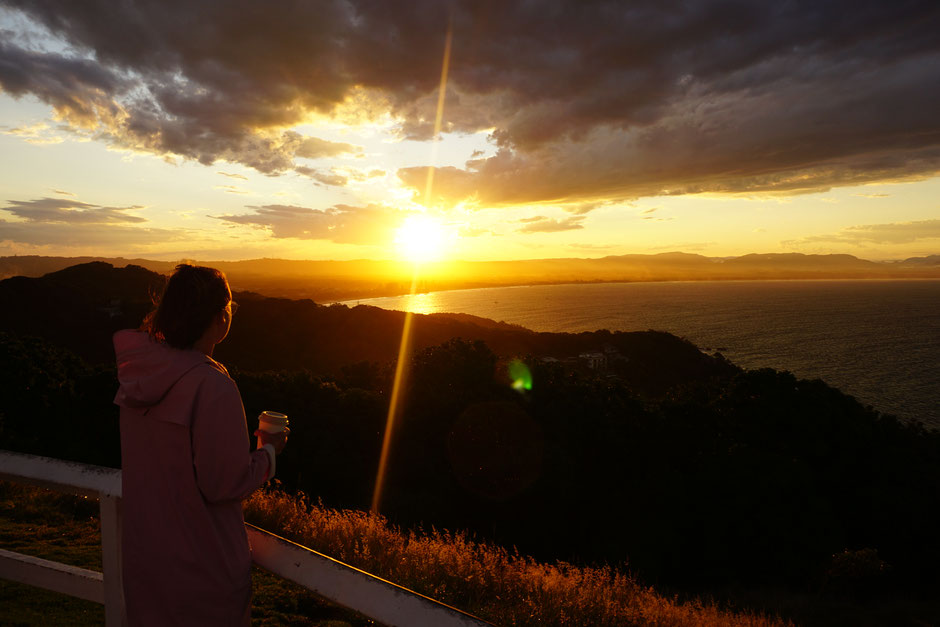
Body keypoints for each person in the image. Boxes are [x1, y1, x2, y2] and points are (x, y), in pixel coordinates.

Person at [113, 264, 288, 626]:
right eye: (229, 307)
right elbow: (224, 483)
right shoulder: (211, 385)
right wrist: (268, 452)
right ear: (219, 316)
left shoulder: (138, 375)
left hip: (147, 566)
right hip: (202, 573)